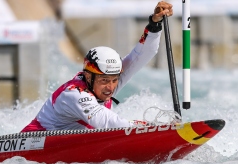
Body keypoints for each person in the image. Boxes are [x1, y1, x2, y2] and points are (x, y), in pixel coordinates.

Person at [21, 1, 173, 132]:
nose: (111, 87)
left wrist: (154, 24)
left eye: (114, 80)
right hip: (28, 151)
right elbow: (107, 123)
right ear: (88, 76)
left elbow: (141, 56)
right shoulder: (75, 94)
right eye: (105, 80)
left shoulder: (102, 82)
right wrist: (154, 128)